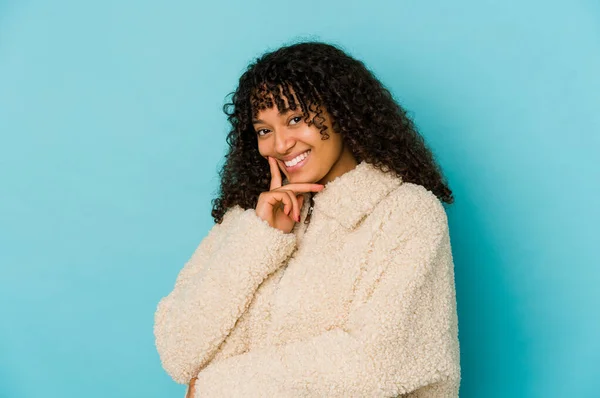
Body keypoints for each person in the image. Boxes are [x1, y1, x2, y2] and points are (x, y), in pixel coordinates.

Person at [153, 41, 461, 397]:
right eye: (264, 130)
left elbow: (378, 360)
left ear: (341, 113)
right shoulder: (251, 221)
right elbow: (177, 351)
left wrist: (216, 387)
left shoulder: (407, 213)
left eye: (295, 119)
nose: (280, 144)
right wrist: (260, 240)